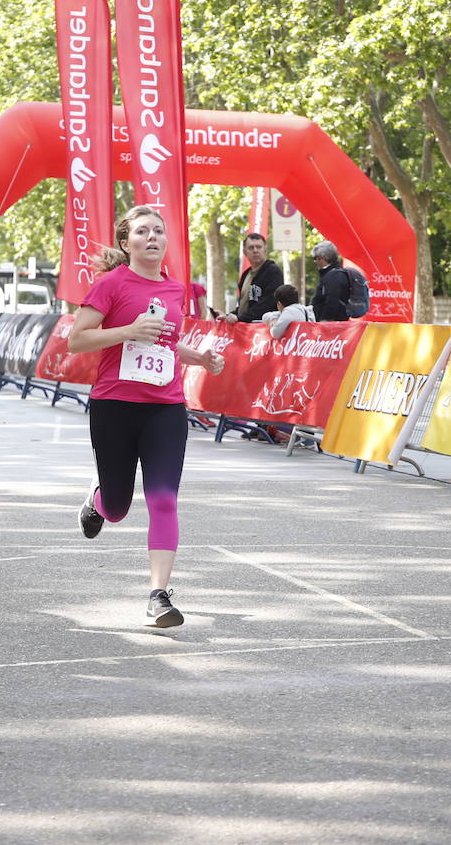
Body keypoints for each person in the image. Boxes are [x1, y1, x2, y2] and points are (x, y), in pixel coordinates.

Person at [68, 205, 225, 629]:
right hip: (115, 406)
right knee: (118, 509)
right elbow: (76, 340)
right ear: (127, 243)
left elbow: (164, 344)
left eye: (159, 231)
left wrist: (200, 358)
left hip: (165, 408)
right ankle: (98, 500)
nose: (153, 237)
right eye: (143, 231)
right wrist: (126, 332)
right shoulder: (110, 284)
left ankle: (159, 595)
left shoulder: (175, 291)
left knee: (162, 499)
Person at [217, 233, 283, 323]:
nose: (255, 250)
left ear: (265, 250)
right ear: (245, 252)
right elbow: (244, 307)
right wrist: (227, 316)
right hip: (245, 329)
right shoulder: (245, 275)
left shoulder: (273, 272)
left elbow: (267, 304)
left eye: (259, 247)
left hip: (264, 329)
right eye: (251, 248)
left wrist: (239, 318)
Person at [310, 241, 351, 322]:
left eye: (315, 258)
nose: (315, 261)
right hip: (333, 322)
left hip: (331, 325)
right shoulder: (333, 273)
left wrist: (325, 320)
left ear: (323, 258)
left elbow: (332, 300)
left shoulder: (333, 275)